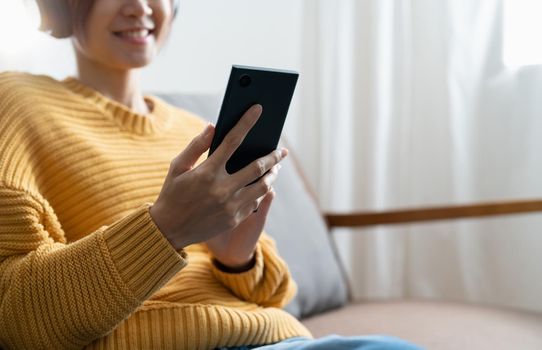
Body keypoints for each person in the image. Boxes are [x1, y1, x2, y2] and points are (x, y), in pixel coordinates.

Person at [0, 1, 423, 349]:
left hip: (278, 339)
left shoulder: (197, 129)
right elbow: (14, 316)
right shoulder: (17, 101)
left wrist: (237, 258)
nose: (140, 7)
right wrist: (164, 229)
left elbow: (276, 295)